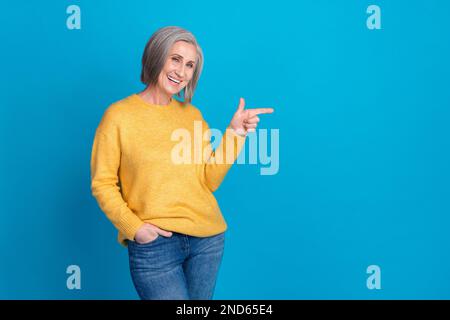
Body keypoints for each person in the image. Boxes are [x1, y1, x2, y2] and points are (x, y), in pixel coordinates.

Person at [90, 26, 274, 300]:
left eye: (190, 65)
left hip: (206, 240)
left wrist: (235, 134)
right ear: (156, 56)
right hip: (154, 246)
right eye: (175, 59)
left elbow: (208, 180)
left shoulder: (192, 116)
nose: (181, 71)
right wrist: (134, 228)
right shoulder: (118, 116)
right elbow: (102, 183)